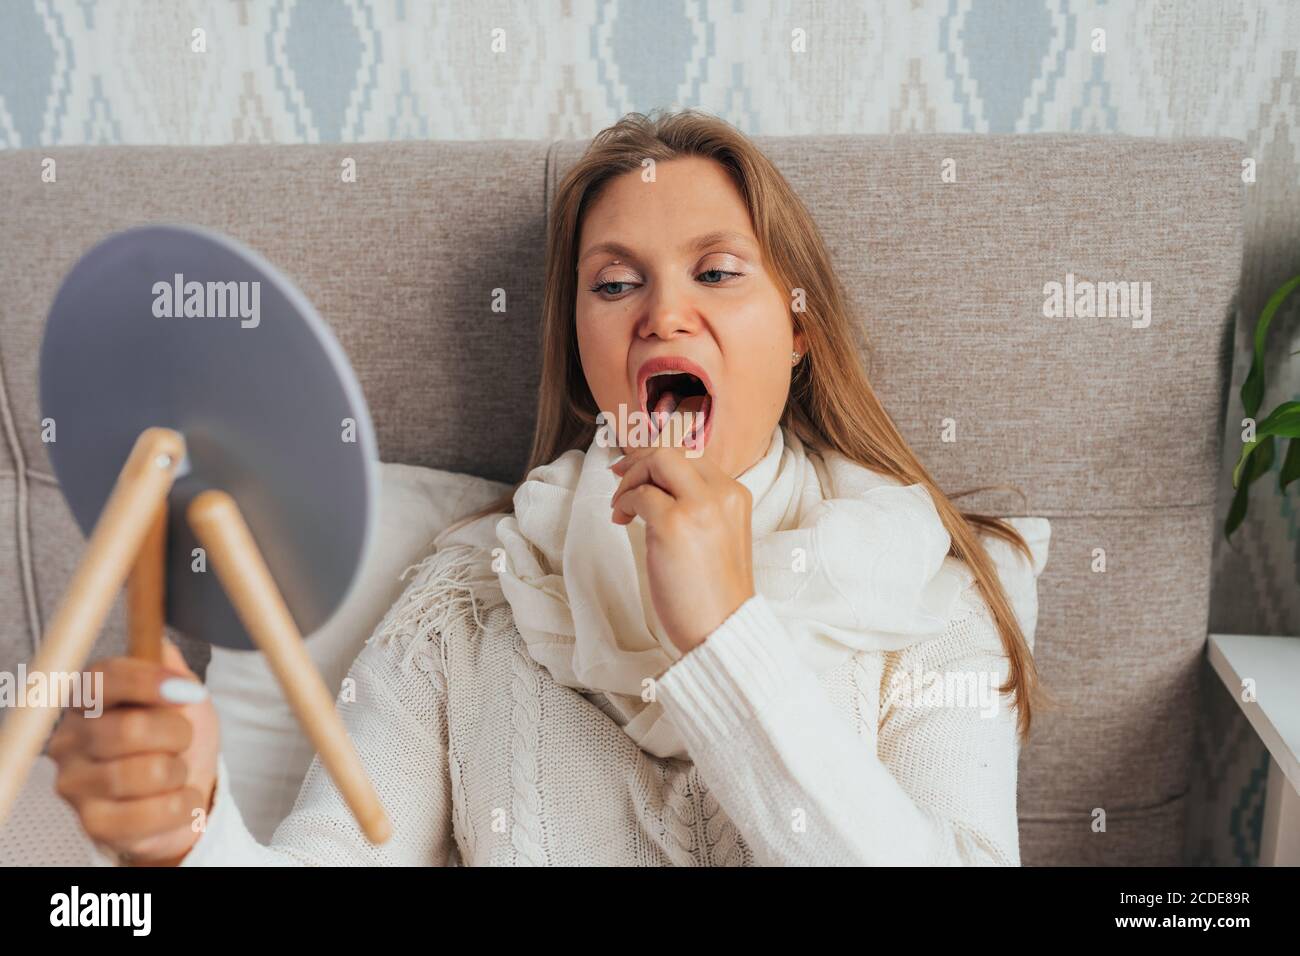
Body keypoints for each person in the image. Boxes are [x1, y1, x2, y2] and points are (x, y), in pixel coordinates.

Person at [50, 107, 1049, 866]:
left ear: (798, 331)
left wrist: (726, 635)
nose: (663, 314)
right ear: (581, 356)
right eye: (614, 284)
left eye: (715, 273)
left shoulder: (932, 582)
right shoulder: (467, 598)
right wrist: (190, 830)